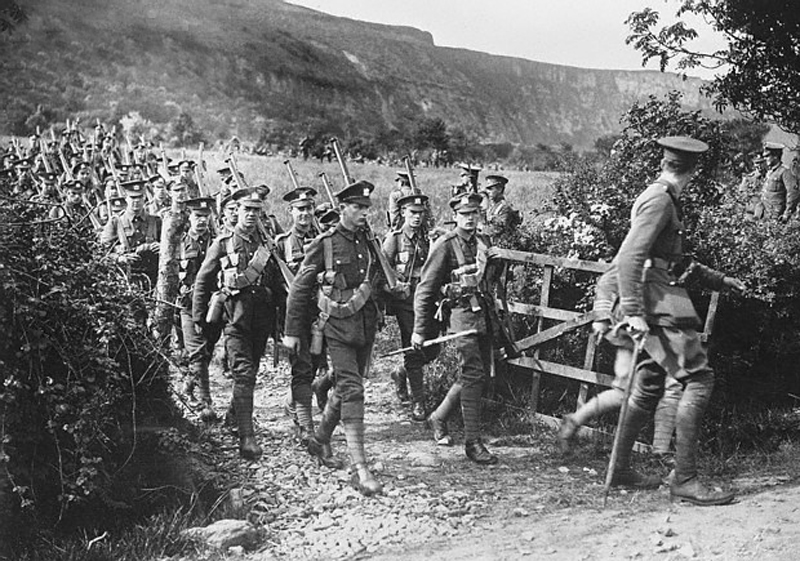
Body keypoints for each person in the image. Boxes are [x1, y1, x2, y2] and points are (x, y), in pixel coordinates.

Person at [597, 136, 744, 505]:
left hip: (655, 296)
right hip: (657, 302)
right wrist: (631, 311)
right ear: (694, 170)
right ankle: (685, 478)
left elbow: (672, 259)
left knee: (647, 382)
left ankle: (619, 468)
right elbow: (630, 257)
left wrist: (720, 281)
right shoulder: (662, 200)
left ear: (667, 164)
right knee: (698, 378)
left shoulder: (659, 196)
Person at [283, 180, 385, 496]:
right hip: (336, 328)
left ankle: (321, 438)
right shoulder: (325, 243)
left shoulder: (369, 243)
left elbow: (378, 283)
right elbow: (300, 289)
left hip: (364, 326)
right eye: (357, 207)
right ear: (342, 209)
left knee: (345, 387)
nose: (363, 214)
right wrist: (290, 332)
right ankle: (360, 469)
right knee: (352, 389)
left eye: (367, 208)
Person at [193, 187, 282, 461]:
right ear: (236, 212)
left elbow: (278, 285)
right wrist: (199, 319)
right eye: (247, 210)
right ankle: (247, 437)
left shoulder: (268, 247)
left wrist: (282, 323)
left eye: (257, 211)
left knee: (252, 370)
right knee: (244, 373)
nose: (252, 215)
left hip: (262, 320)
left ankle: (234, 416)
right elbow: (202, 281)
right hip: (235, 319)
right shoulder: (222, 244)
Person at [412, 192, 499, 465]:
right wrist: (419, 329)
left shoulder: (485, 242)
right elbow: (425, 289)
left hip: (484, 313)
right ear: (455, 216)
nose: (470, 219)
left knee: (476, 372)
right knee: (473, 372)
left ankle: (439, 416)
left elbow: (491, 276)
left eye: (474, 213)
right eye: (464, 214)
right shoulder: (445, 244)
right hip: (460, 316)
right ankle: (473, 442)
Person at [275, 187, 330, 442]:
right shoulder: (282, 244)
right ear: (291, 212)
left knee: (318, 363)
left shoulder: (325, 241)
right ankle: (305, 426)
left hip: (322, 312)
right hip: (295, 314)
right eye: (300, 209)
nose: (305, 214)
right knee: (302, 366)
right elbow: (276, 284)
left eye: (309, 208)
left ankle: (293, 402)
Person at [383, 194, 438, 421]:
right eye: (412, 212)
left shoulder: (429, 238)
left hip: (427, 299)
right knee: (414, 348)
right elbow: (382, 269)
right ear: (403, 213)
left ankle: (401, 373)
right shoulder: (395, 239)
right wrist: (395, 286)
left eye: (420, 213)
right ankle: (419, 402)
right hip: (405, 301)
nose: (417, 217)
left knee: (434, 347)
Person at [179, 197, 220, 422]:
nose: (201, 221)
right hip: (186, 305)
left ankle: (188, 384)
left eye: (205, 217)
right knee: (197, 353)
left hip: (212, 306)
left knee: (208, 349)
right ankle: (206, 404)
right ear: (189, 218)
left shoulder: (217, 243)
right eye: (197, 216)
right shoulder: (179, 243)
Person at [100, 179, 162, 289]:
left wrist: (161, 247)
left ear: (145, 198)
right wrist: (119, 258)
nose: (136, 201)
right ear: (126, 198)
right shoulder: (116, 222)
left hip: (153, 279)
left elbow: (171, 247)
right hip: (125, 280)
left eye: (140, 197)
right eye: (132, 197)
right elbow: (102, 253)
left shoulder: (156, 221)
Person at [759, 142, 798, 221]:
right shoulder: (770, 172)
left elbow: (793, 194)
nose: (765, 159)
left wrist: (787, 214)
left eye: (767, 156)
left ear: (775, 156)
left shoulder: (785, 172)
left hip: (777, 215)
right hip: (766, 214)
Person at [481, 175, 521, 239]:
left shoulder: (505, 208)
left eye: (490, 189)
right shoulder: (491, 206)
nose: (488, 192)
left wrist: (481, 227)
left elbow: (497, 230)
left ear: (499, 189)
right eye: (487, 189)